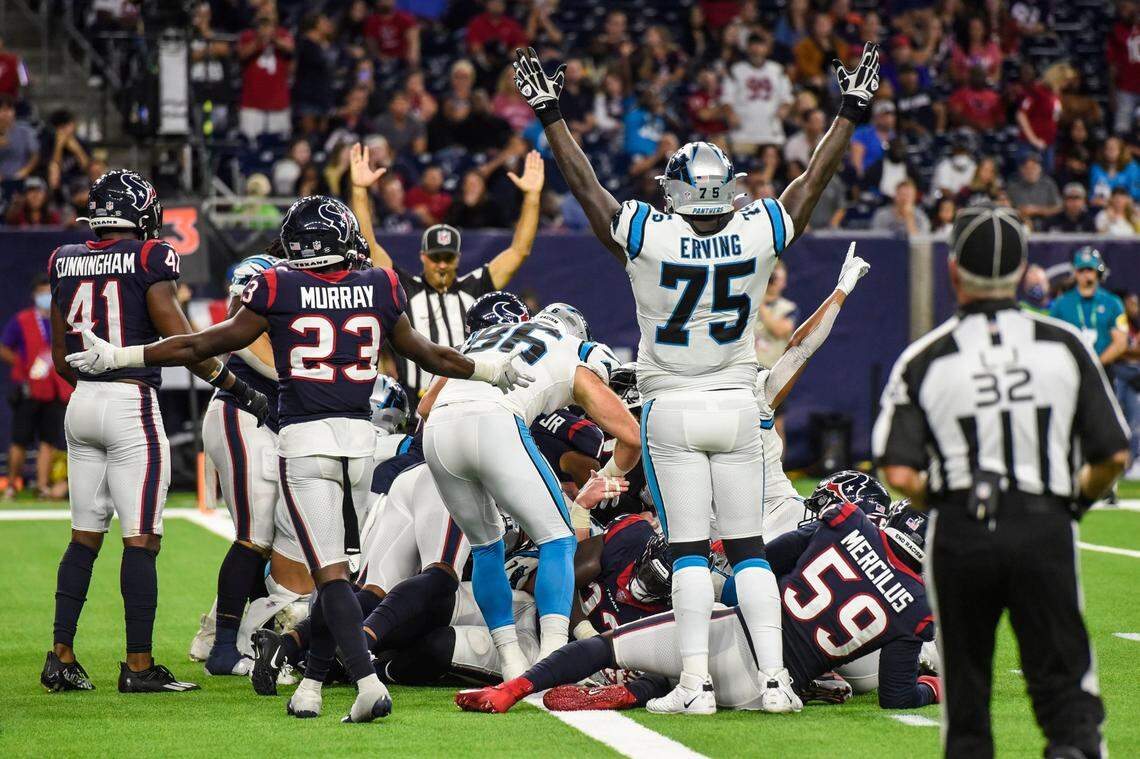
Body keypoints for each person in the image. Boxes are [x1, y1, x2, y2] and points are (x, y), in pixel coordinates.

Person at [512, 40, 881, 714]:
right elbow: (811, 184)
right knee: (746, 551)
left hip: (674, 408)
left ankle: (696, 684)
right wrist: (849, 113)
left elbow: (589, 189)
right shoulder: (756, 230)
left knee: (686, 552)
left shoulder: (650, 233)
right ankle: (775, 683)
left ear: (676, 192)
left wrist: (551, 113)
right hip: (740, 405)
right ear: (729, 188)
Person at [64, 195, 533, 722]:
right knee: (344, 575)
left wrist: (122, 355)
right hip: (359, 445)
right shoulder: (379, 284)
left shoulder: (277, 285)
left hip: (305, 444)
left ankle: (367, 681)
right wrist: (490, 371)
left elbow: (200, 344)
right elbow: (430, 355)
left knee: (330, 577)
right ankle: (310, 683)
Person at [873, 205, 1127, 759]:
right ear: (1023, 270)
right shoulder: (1064, 346)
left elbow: (897, 472)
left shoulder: (925, 358)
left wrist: (944, 500)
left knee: (966, 701)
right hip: (1043, 522)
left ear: (954, 270)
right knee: (1065, 687)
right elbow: (1114, 453)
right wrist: (1073, 503)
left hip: (962, 528)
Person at [41, 170, 270, 694]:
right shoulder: (150, 257)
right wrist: (235, 384)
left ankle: (61, 658)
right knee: (140, 539)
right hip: (129, 402)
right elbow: (183, 340)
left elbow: (60, 357)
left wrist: (92, 385)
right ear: (141, 215)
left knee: (83, 538)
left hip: (81, 403)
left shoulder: (63, 258)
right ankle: (138, 666)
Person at [454, 490, 939, 715]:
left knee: (611, 648)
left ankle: (511, 690)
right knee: (671, 674)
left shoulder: (847, 523)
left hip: (730, 634)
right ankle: (647, 689)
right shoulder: (918, 609)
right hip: (769, 687)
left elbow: (762, 563)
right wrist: (930, 689)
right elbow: (898, 696)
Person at [420, 304, 640, 679]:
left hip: (438, 432)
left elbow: (425, 406)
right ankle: (552, 658)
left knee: (486, 546)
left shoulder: (481, 338)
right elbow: (631, 437)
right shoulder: (575, 349)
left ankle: (510, 661)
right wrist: (606, 475)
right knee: (558, 539)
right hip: (495, 421)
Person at [193, 251, 315, 677]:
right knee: (255, 534)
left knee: (268, 533)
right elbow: (280, 366)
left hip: (259, 422)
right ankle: (223, 648)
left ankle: (214, 631)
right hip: (242, 417)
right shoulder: (247, 326)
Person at [349, 143, 544, 397]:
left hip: (465, 398)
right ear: (423, 257)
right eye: (436, 257)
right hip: (414, 404)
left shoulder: (475, 286)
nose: (442, 264)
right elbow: (369, 245)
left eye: (448, 258)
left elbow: (519, 251)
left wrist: (531, 197)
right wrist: (360, 190)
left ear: (458, 258)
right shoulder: (405, 287)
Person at [0, 275, 70, 500]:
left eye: (48, 292)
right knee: (19, 439)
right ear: (34, 295)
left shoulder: (62, 320)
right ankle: (12, 485)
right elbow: (3, 347)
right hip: (30, 389)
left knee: (48, 440)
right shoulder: (22, 320)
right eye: (41, 292)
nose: (45, 297)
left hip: (55, 390)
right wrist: (22, 365)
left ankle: (41, 486)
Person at [1049, 247, 1128, 371]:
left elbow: (1121, 342)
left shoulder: (1113, 303)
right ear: (1075, 272)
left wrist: (1096, 366)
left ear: (1098, 271)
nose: (1086, 274)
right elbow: (1052, 338)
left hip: (1104, 370)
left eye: (1090, 269)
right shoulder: (1061, 303)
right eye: (1081, 270)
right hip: (1070, 369)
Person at [724, 34, 795, 153]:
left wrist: (785, 108)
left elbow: (787, 97)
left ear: (766, 49)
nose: (756, 50)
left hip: (771, 134)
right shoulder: (736, 70)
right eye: (753, 46)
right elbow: (726, 99)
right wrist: (730, 113)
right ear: (747, 48)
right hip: (743, 135)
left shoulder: (777, 70)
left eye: (760, 46)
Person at [1006, 153, 1062, 226]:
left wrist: (1036, 210)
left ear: (1040, 169)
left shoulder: (1048, 184)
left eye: (1034, 168)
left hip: (1046, 225)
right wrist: (1020, 212)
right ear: (1021, 170)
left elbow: (1058, 208)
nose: (1030, 171)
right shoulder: (1013, 187)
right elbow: (1006, 208)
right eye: (1027, 168)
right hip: (1020, 225)